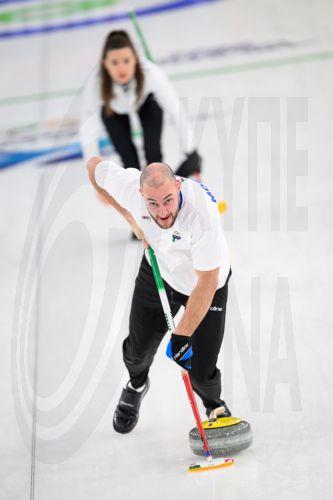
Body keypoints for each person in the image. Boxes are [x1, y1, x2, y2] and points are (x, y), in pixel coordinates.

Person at [87, 156, 231, 434]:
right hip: (160, 270)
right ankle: (137, 384)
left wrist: (182, 334)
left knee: (200, 368)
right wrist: (131, 218)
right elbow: (94, 167)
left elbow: (207, 281)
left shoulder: (201, 216)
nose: (162, 211)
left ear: (178, 186)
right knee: (136, 353)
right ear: (141, 195)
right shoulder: (131, 189)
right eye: (152, 203)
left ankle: (215, 407)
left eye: (168, 200)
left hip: (205, 285)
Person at [80, 30, 201, 178]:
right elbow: (87, 127)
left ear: (135, 59)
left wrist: (190, 149)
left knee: (154, 159)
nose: (121, 68)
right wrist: (94, 173)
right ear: (105, 64)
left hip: (146, 104)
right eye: (114, 62)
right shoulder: (96, 83)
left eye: (126, 60)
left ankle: (163, 188)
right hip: (113, 112)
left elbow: (175, 109)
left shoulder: (150, 73)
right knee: (130, 166)